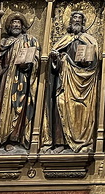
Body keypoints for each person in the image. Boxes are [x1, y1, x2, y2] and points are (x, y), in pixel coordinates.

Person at [42, 11, 98, 153]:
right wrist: (56, 58)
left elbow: (95, 63)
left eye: (79, 18)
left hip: (82, 83)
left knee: (80, 110)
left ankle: (82, 142)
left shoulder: (89, 40)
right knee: (59, 106)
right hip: (64, 82)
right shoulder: (64, 40)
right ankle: (60, 142)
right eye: (74, 18)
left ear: (83, 23)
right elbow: (54, 66)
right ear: (70, 21)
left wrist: (87, 62)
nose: (77, 20)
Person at [0, 14, 39, 150]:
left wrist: (28, 65)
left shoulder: (30, 40)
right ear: (9, 25)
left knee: (17, 108)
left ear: (23, 25)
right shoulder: (3, 42)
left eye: (18, 23)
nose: (16, 25)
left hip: (20, 78)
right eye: (13, 23)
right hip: (4, 78)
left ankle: (12, 139)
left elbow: (37, 59)